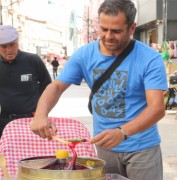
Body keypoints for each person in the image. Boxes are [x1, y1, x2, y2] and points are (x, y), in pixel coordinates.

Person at [30, 0, 167, 179]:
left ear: (132, 28)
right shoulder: (84, 54)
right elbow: (56, 86)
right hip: (104, 147)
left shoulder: (150, 58)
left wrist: (122, 132)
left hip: (142, 147)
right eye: (103, 29)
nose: (108, 36)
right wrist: (41, 114)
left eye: (116, 31)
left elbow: (157, 108)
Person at [0, 25, 52, 137]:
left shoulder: (33, 60)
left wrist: (41, 112)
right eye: (3, 46)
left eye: (12, 44)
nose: (9, 50)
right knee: (3, 154)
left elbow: (47, 87)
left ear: (18, 41)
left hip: (30, 120)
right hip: (0, 122)